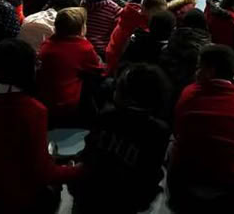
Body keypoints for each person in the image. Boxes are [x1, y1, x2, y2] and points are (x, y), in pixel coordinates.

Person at [0, 39, 82, 213]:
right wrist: (76, 171)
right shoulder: (34, 110)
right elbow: (42, 172)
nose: (38, 66)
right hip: (17, 198)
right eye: (35, 62)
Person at [167, 44, 234, 213]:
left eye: (199, 67)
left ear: (209, 71)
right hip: (229, 192)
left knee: (171, 141)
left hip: (182, 185)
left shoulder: (189, 93)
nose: (196, 72)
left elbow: (177, 131)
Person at [71, 64, 172, 214]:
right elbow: (150, 175)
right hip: (127, 203)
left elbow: (87, 159)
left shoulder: (106, 117)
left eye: (118, 86)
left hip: (89, 199)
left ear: (125, 94)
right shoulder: (159, 131)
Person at [36, 6, 105, 123]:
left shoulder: (47, 44)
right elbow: (99, 70)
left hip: (45, 101)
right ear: (81, 29)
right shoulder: (84, 47)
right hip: (67, 106)